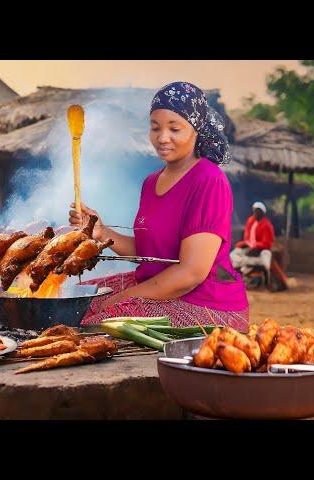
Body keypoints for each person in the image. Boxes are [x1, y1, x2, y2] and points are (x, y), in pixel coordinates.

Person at [69, 81, 249, 330]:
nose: (163, 138)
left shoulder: (208, 180)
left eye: (174, 129)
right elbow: (152, 252)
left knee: (92, 321)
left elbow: (191, 274)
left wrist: (124, 298)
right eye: (155, 128)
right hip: (159, 284)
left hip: (203, 304)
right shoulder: (151, 182)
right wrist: (102, 232)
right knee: (74, 299)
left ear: (197, 129)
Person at [230, 201, 275, 276]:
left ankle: (243, 269)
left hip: (260, 249)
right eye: (254, 211)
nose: (255, 213)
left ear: (262, 213)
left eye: (257, 211)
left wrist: (255, 246)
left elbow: (267, 243)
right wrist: (246, 244)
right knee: (233, 254)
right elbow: (247, 237)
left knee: (261, 262)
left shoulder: (267, 225)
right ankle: (241, 266)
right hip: (248, 247)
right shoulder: (250, 220)